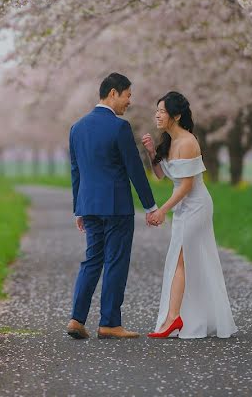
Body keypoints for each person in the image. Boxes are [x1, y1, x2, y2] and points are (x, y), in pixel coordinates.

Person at [66, 72, 159, 339]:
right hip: (117, 206)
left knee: (92, 260)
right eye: (128, 95)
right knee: (116, 260)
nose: (129, 101)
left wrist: (78, 209)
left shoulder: (77, 128)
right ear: (113, 93)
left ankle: (76, 318)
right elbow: (135, 170)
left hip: (89, 205)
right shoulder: (119, 127)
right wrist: (150, 205)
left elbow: (76, 172)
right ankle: (109, 323)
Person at [141, 91, 237, 339]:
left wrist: (162, 210)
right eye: (157, 111)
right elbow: (161, 176)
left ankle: (174, 318)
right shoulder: (169, 142)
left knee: (181, 258)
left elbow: (186, 186)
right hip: (184, 207)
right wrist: (152, 153)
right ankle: (187, 316)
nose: (157, 115)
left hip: (196, 206)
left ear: (176, 115)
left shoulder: (188, 142)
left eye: (162, 111)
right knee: (186, 259)